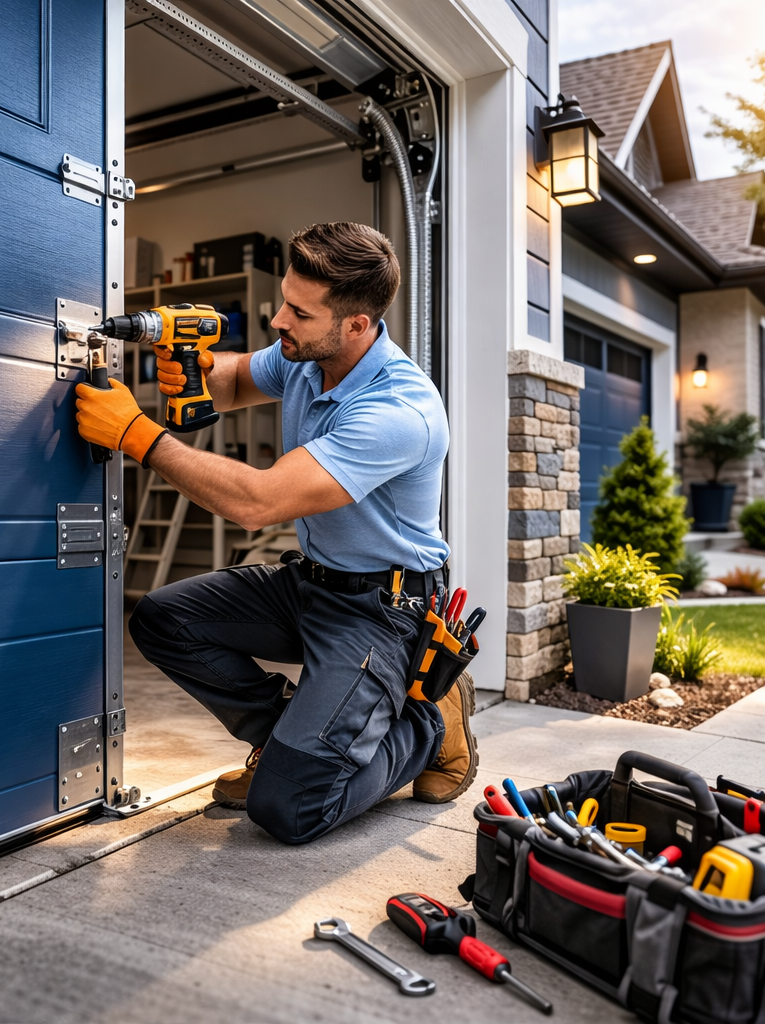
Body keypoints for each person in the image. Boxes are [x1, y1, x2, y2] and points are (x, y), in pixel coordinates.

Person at [75, 222, 475, 844]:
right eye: (285, 300)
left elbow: (258, 503)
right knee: (161, 619)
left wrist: (137, 435)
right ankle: (287, 734)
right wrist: (195, 373)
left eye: (299, 311)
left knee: (289, 810)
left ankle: (427, 725)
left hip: (382, 612)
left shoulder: (399, 413)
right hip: (310, 585)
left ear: (357, 325)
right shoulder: (306, 357)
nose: (279, 320)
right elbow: (235, 379)